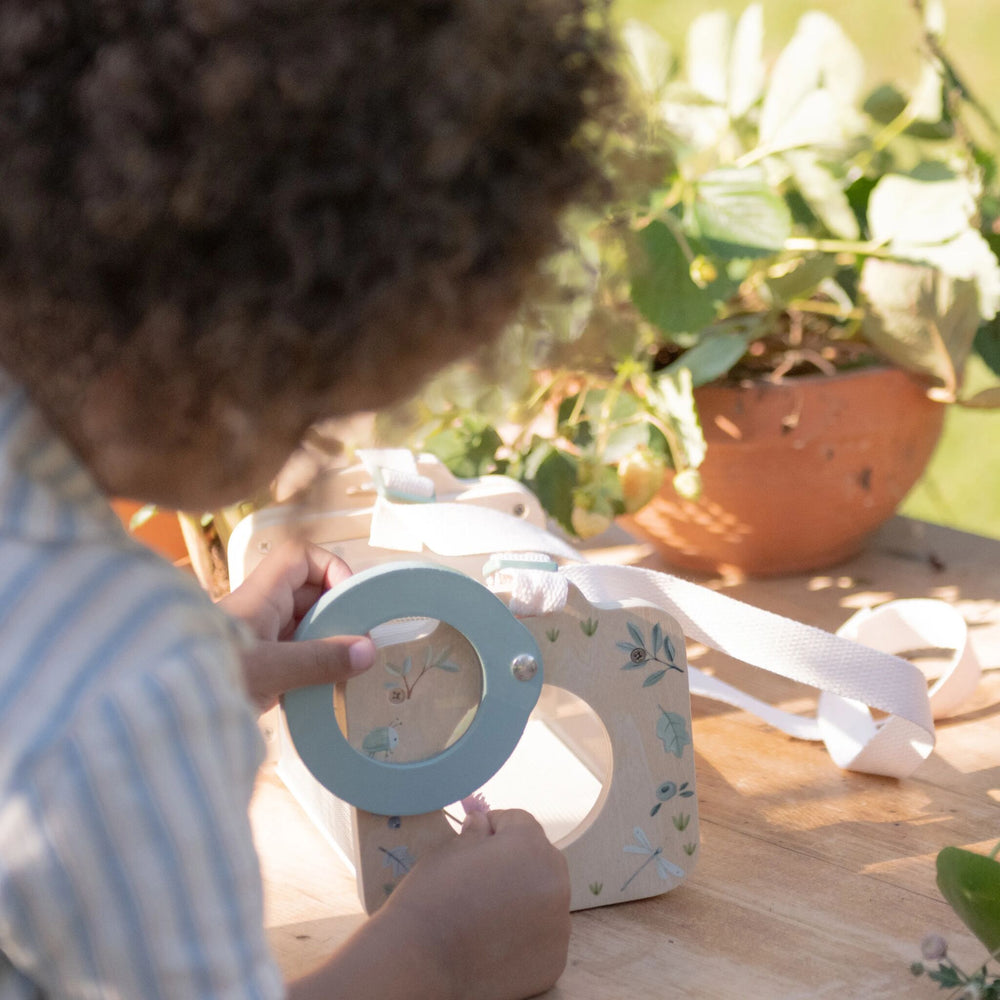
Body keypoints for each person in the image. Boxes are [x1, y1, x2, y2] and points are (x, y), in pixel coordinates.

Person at [0, 1, 618, 998]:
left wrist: (188, 660)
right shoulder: (126, 686)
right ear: (182, 344)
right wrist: (438, 954)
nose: (306, 452)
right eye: (308, 406)